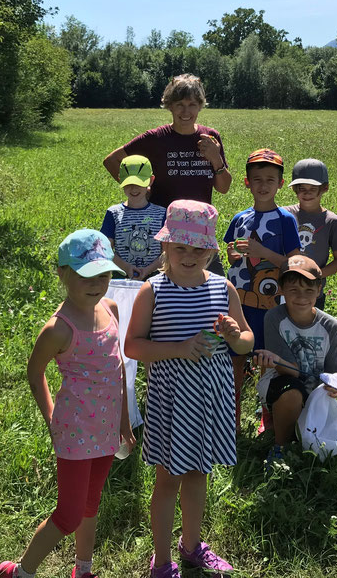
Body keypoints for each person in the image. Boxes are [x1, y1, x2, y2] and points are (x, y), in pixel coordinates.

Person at [0, 230, 136, 578]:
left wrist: (124, 424)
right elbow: (34, 373)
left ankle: (82, 569)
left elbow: (117, 370)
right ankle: (20, 572)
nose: (97, 283)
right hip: (74, 432)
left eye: (104, 274)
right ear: (62, 273)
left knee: (91, 504)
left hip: (106, 432)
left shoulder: (112, 308)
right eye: (86, 275)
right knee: (69, 514)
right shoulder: (59, 329)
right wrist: (50, 416)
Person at [125, 200, 253, 578]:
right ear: (165, 246)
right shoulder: (153, 291)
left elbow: (246, 341)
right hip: (172, 401)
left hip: (211, 398)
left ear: (212, 250)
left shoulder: (223, 287)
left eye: (199, 248)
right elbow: (132, 346)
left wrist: (235, 335)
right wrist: (179, 349)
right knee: (168, 480)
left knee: (199, 474)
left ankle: (193, 546)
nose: (190, 255)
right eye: (181, 247)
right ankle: (162, 562)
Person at [102, 74, 230, 274]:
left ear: (200, 106)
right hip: (164, 232)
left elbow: (223, 188)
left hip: (200, 231)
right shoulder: (156, 138)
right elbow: (111, 160)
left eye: (192, 104)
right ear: (169, 105)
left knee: (213, 288)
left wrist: (216, 158)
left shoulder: (210, 137)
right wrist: (138, 190)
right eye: (179, 104)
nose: (186, 111)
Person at [224, 149, 301, 431]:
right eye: (257, 179)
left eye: (270, 179)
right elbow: (230, 252)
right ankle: (230, 417)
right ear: (247, 183)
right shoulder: (239, 218)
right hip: (238, 301)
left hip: (269, 304)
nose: (263, 185)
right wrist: (233, 256)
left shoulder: (286, 220)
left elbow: (294, 263)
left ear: (281, 184)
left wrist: (261, 251)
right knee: (234, 359)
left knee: (266, 361)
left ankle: (266, 416)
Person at [253, 255, 337, 470]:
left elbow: (334, 373)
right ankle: (280, 447)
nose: (301, 297)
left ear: (319, 290)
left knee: (323, 446)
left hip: (317, 390)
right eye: (293, 289)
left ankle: (295, 431)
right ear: (281, 289)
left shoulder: (331, 326)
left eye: (308, 290)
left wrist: (334, 386)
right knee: (292, 391)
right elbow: (290, 371)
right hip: (282, 382)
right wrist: (276, 361)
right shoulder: (274, 318)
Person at [281, 158, 337, 310]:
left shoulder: (332, 221)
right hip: (283, 289)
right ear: (294, 189)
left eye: (313, 188)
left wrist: (317, 275)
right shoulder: (284, 213)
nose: (307, 193)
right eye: (301, 188)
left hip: (312, 293)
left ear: (325, 188)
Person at [100, 154, 166, 280]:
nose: (133, 188)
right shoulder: (113, 213)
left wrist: (148, 270)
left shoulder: (162, 214)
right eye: (128, 183)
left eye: (139, 183)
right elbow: (104, 249)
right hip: (121, 279)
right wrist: (126, 267)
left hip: (155, 279)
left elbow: (168, 253)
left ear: (151, 180)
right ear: (120, 180)